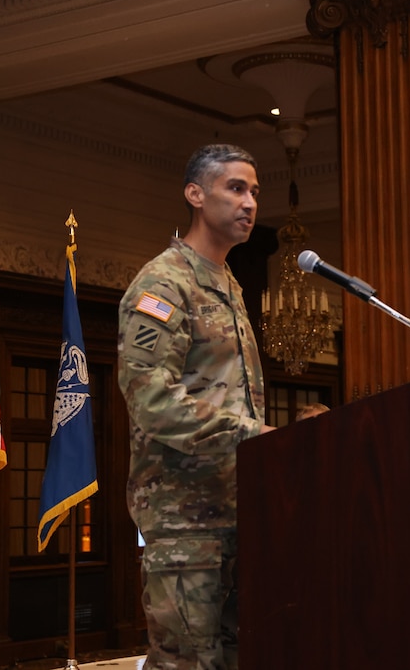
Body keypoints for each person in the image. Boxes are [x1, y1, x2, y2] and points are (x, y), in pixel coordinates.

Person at [117, 143, 277, 670]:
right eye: (235, 188)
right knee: (187, 666)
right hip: (186, 523)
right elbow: (151, 399)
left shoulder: (229, 285)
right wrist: (251, 436)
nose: (249, 202)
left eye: (254, 191)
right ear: (195, 194)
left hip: (240, 512)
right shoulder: (164, 283)